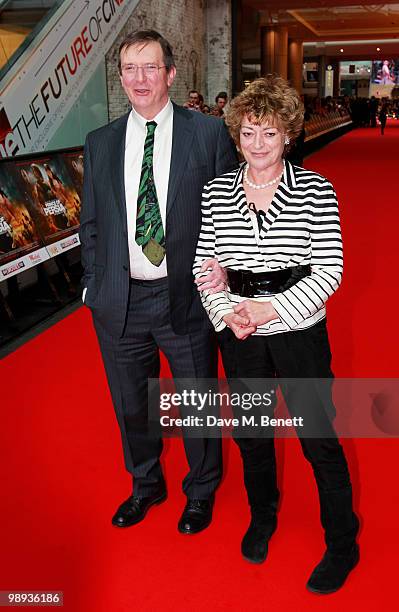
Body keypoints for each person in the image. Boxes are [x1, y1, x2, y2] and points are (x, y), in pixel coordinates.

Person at [193, 75, 359, 594]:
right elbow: (204, 263)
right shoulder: (217, 190)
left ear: (288, 134)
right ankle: (262, 516)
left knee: (318, 438)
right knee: (252, 436)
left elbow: (328, 270)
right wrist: (227, 313)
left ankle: (342, 540)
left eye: (268, 133)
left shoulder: (315, 188)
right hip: (240, 332)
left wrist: (270, 309)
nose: (258, 143)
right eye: (248, 133)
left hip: (298, 330)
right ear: (237, 136)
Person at [79, 30, 238, 535]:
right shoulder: (100, 142)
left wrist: (226, 270)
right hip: (118, 303)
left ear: (171, 73)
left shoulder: (208, 134)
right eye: (130, 68)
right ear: (121, 76)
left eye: (150, 67)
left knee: (197, 404)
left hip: (184, 298)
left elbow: (232, 213)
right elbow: (92, 223)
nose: (140, 79)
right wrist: (93, 287)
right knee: (132, 406)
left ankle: (201, 491)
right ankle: (145, 486)